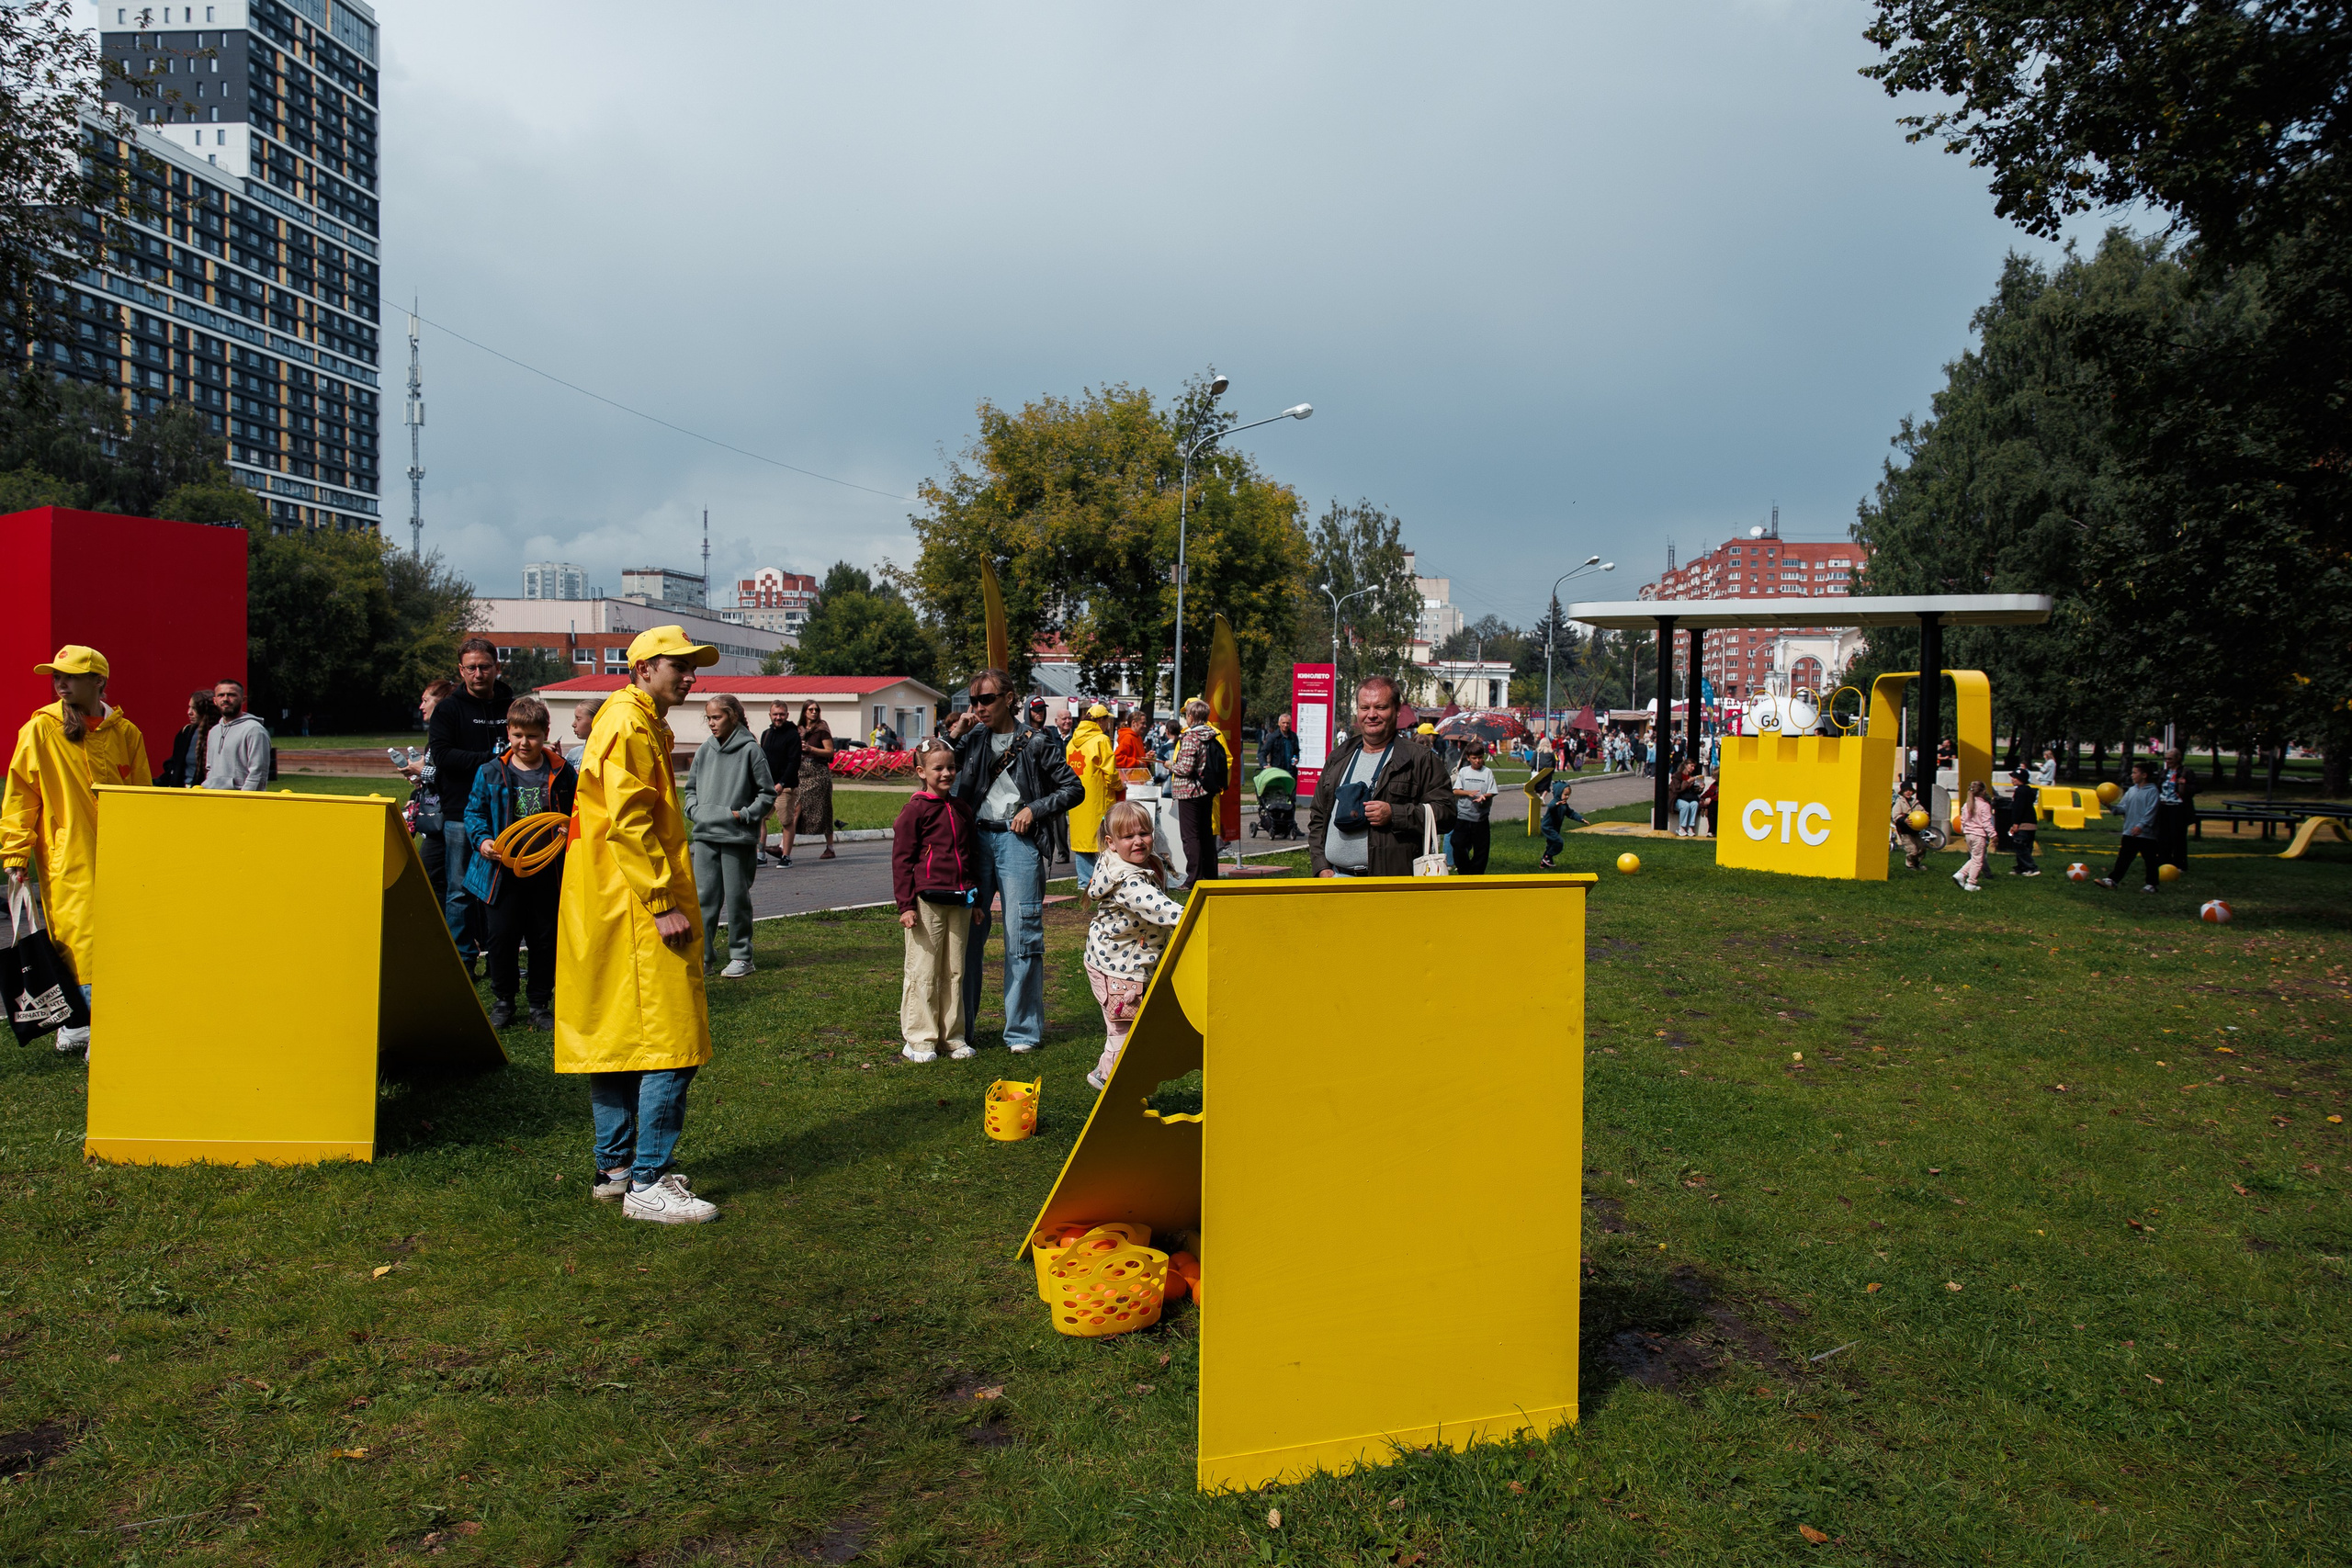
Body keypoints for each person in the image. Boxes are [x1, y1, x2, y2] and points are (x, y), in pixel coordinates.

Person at [555, 626, 720, 1225]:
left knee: (616, 1039)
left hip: (605, 901)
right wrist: (661, 900)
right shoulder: (629, 723)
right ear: (645, 666)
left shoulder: (634, 718)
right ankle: (647, 1181)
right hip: (632, 905)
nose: (691, 676)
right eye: (680, 665)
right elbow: (629, 821)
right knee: (672, 1042)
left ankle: (616, 1169)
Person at [1, 646, 151, 1057]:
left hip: (125, 855)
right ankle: (90, 1027)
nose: (60, 683)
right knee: (81, 939)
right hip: (70, 855)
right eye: (56, 676)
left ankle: (80, 1023)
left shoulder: (126, 734)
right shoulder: (40, 731)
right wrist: (15, 855)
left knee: (121, 938)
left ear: (98, 680)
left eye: (69, 675)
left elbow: (144, 798)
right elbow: (21, 796)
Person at [945, 667, 1082, 1052]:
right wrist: (955, 732)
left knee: (1021, 938)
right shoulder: (971, 739)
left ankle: (1021, 1033)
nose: (979, 707)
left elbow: (1074, 788)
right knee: (968, 938)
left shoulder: (1037, 742)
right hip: (975, 843)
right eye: (974, 701)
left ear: (1008, 698)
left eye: (986, 699)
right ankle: (961, 1032)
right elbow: (933, 765)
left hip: (1018, 843)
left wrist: (1035, 809)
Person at [462, 695, 577, 1029]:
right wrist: (482, 840)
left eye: (532, 735)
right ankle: (504, 1001)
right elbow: (474, 812)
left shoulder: (561, 771)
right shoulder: (491, 772)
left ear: (545, 733)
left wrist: (567, 825)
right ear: (508, 733)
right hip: (502, 872)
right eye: (517, 735)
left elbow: (577, 810)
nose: (524, 743)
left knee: (544, 939)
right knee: (501, 938)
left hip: (546, 870)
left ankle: (540, 1003)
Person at [1082, 799, 1187, 1091]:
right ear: (1111, 842)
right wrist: (1197, 916)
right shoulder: (1129, 883)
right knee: (1123, 1029)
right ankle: (1109, 1080)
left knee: (1129, 1024)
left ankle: (1115, 1074)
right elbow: (1161, 909)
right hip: (1119, 969)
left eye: (1144, 833)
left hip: (1119, 959)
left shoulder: (1119, 861)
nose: (1138, 841)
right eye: (1129, 837)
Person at [1308, 676, 1455, 878]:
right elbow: (1318, 815)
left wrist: (1394, 814)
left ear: (1396, 711)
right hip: (1335, 879)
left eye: (1380, 707)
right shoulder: (1339, 756)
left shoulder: (1420, 759)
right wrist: (1321, 866)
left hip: (1389, 882)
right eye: (1364, 707)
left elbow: (1447, 813)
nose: (1371, 715)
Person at [426, 638, 514, 969]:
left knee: (503, 891)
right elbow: (443, 755)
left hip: (505, 813)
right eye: (471, 667)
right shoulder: (449, 709)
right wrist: (493, 761)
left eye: (485, 666)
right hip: (461, 813)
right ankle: (463, 959)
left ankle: (500, 960)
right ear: (461, 670)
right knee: (460, 891)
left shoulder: (510, 704)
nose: (479, 673)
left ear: (497, 667)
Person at [892, 739, 978, 1063]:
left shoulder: (962, 809)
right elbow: (902, 860)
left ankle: (952, 1036)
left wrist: (978, 898)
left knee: (955, 969)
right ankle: (920, 1038)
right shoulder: (914, 810)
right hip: (926, 901)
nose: (946, 773)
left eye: (951, 767)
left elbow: (972, 855)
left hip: (961, 899)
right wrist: (906, 905)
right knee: (924, 969)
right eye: (938, 768)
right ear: (921, 771)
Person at [683, 693, 774, 979]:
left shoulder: (751, 750)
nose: (711, 723)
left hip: (737, 837)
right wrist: (693, 809)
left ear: (733, 717)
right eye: (708, 718)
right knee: (703, 899)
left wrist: (743, 816)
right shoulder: (704, 751)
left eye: (717, 717)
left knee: (736, 899)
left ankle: (742, 956)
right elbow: (691, 788)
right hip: (705, 834)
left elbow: (767, 794)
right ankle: (704, 957)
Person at [399, 679, 456, 912]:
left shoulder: (448, 735)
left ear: (441, 702)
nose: (421, 706)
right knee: (440, 878)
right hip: (435, 818)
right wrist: (418, 782)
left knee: (432, 874)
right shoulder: (436, 736)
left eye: (425, 700)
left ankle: (453, 935)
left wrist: (422, 770)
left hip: (447, 818)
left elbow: (451, 775)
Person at [1168, 698, 1229, 887]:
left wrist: (1170, 765)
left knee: (1190, 836)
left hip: (1189, 792)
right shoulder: (1213, 735)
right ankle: (1210, 875)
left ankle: (1193, 877)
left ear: (1192, 717)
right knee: (1205, 834)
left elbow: (1185, 769)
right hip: (1207, 790)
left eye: (1187, 715)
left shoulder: (1190, 737)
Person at [1063, 702, 1119, 887]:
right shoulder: (1101, 740)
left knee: (1081, 842)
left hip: (1077, 800)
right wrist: (1119, 785)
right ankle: (1101, 881)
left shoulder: (1072, 742)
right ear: (1100, 721)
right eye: (1106, 721)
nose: (1107, 725)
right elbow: (1110, 773)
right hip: (1098, 799)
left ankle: (1083, 881)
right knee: (1101, 840)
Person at [2097, 761, 2164, 893]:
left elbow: (2152, 811)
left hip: (2146, 834)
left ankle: (2151, 885)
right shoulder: (2131, 790)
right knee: (2124, 858)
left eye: (2135, 772)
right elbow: (2122, 808)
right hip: (2129, 832)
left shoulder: (2152, 791)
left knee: (2150, 860)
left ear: (2144, 775)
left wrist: (2141, 826)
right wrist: (2110, 806)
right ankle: (2113, 880)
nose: (2132, 775)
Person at [202, 679, 269, 790]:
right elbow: (210, 768)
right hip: (213, 798)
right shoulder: (214, 731)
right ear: (215, 700)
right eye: (221, 695)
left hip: (239, 800)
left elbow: (258, 772)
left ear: (243, 700)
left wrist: (243, 798)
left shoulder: (254, 730)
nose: (225, 699)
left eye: (231, 695)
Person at [759, 699, 801, 867]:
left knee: (786, 821)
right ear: (770, 715)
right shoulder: (766, 734)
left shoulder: (792, 735)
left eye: (781, 714)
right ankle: (760, 854)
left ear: (787, 715)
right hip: (766, 786)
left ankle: (786, 856)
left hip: (785, 787)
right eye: (775, 714)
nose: (778, 717)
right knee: (759, 818)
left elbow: (794, 762)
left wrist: (782, 783)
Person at [793, 701, 838, 860]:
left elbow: (829, 751)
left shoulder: (822, 730)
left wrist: (811, 749)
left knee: (824, 809)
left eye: (816, 710)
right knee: (795, 806)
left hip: (818, 772)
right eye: (810, 709)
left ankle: (830, 847)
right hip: (801, 772)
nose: (814, 712)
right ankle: (783, 846)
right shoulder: (798, 730)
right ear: (804, 712)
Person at [1450, 740, 1498, 874]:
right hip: (1463, 816)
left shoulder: (1487, 772)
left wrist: (1485, 797)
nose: (1478, 761)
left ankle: (1476, 874)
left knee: (1481, 850)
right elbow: (1455, 790)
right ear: (1468, 758)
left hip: (1480, 818)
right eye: (1474, 758)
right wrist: (1468, 792)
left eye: (1480, 757)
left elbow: (1492, 791)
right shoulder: (1464, 772)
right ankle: (1464, 871)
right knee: (1457, 844)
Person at [159, 689, 218, 787]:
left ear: (206, 711)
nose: (189, 712)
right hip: (181, 792)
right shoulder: (186, 732)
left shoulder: (217, 734)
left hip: (205, 792)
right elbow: (174, 763)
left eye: (195, 708)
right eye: (189, 707)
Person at [2156, 747, 2197, 875]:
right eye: (2166, 758)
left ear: (2178, 759)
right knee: (2163, 836)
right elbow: (2159, 787)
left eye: (2170, 759)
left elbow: (2197, 788)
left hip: (2179, 808)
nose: (2168, 761)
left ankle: (2180, 864)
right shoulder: (2164, 772)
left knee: (2178, 837)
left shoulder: (2186, 772)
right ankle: (2164, 862)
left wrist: (2184, 784)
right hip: (2164, 806)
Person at [1537, 772, 1588, 870]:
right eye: (1565, 794)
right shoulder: (1555, 801)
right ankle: (1547, 857)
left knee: (1551, 844)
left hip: (1555, 828)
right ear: (1559, 793)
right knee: (1559, 842)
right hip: (1548, 827)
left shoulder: (1564, 804)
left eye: (1568, 795)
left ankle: (1544, 863)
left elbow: (1571, 813)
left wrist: (1581, 819)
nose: (1567, 797)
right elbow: (1551, 807)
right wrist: (1557, 804)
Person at [1955, 778, 1995, 892]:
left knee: (1975, 857)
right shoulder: (1984, 805)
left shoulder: (1967, 804)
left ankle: (1961, 874)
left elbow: (1963, 820)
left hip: (1968, 834)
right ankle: (1971, 883)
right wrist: (1993, 835)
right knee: (1978, 860)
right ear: (1983, 791)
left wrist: (1965, 830)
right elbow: (1987, 823)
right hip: (1979, 834)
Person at [2006, 767, 2041, 875]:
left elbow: (2018, 808)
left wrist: (2015, 823)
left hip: (2024, 823)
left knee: (2019, 844)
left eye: (2015, 778)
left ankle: (2031, 867)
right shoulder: (2028, 790)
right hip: (2032, 823)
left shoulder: (2020, 791)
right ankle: (2022, 868)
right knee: (2026, 846)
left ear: (2020, 779)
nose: (2012, 780)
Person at [1892, 781, 1927, 870]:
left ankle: (1916, 863)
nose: (1908, 792)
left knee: (1922, 848)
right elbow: (1896, 816)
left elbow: (1922, 812)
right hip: (1905, 831)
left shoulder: (1915, 802)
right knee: (1912, 850)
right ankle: (1910, 865)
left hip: (1915, 830)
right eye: (1906, 790)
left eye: (1910, 790)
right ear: (1902, 792)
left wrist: (1925, 815)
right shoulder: (1899, 802)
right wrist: (1904, 820)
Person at [562, 694, 605, 767]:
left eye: (578, 719)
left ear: (595, 720)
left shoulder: (607, 754)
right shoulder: (573, 754)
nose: (573, 724)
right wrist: (555, 759)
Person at [1263, 713, 1301, 783]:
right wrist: (1264, 765)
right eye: (1283, 723)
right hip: (1278, 773)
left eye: (1288, 723)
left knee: (1291, 793)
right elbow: (1262, 753)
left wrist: (1297, 758)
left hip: (1291, 773)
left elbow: (1296, 751)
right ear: (1279, 723)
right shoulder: (1273, 737)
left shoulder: (1293, 736)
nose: (1286, 725)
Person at [1674, 761, 1702, 836]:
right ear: (1686, 765)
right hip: (1677, 799)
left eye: (1694, 767)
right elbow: (1677, 789)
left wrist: (1700, 788)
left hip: (1688, 798)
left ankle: (1690, 827)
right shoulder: (1677, 776)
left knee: (1695, 804)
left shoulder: (1691, 776)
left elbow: (1693, 791)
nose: (1693, 768)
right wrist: (1688, 781)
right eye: (1691, 766)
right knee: (1685, 805)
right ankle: (1681, 827)